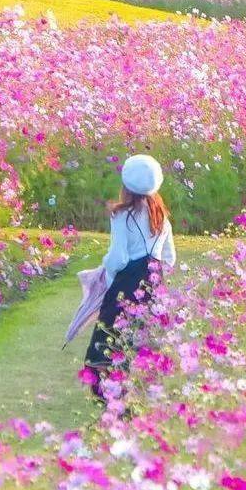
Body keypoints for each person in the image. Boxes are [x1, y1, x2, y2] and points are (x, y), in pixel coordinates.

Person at [83, 154, 176, 403]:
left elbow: (118, 257)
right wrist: (156, 275)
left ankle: (108, 385)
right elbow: (169, 256)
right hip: (153, 279)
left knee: (112, 328)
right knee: (144, 328)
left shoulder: (122, 215)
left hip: (128, 278)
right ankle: (142, 386)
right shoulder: (161, 216)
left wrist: (109, 278)